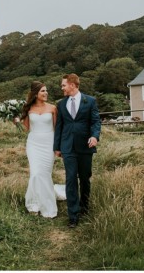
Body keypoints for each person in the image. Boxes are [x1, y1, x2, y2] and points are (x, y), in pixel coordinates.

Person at [54, 73, 101, 228]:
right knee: (70, 179)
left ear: (72, 85)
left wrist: (94, 137)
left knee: (85, 178)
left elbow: (95, 121)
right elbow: (59, 126)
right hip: (68, 147)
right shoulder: (61, 104)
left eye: (63, 85)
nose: (62, 88)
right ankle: (73, 215)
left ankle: (84, 207)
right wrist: (57, 147)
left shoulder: (90, 101)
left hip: (85, 146)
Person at [15, 82, 61, 218]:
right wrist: (17, 121)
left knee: (44, 174)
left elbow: (57, 129)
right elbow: (26, 128)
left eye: (46, 91)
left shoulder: (53, 108)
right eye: (43, 91)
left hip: (49, 144)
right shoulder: (28, 109)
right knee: (35, 174)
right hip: (33, 144)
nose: (46, 93)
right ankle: (33, 204)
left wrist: (58, 147)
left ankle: (48, 206)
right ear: (35, 94)